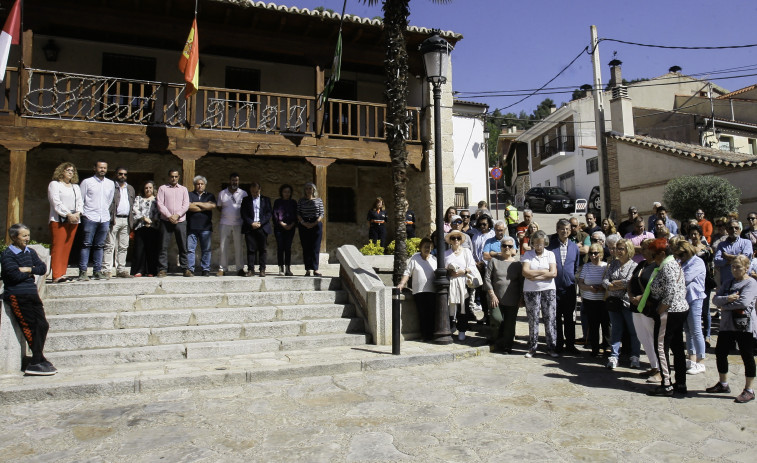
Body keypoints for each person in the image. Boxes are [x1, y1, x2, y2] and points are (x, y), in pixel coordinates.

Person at [1, 223, 55, 375]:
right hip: (17, 294)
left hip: (32, 293)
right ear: (14, 237)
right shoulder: (7, 254)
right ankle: (37, 360)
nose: (27, 238)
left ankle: (38, 358)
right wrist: (29, 273)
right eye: (24, 236)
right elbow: (13, 275)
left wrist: (28, 269)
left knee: (42, 325)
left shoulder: (30, 252)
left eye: (28, 235)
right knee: (29, 326)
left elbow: (42, 268)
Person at [707, 255, 757, 403]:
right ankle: (723, 383)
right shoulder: (728, 282)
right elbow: (715, 299)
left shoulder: (751, 283)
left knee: (746, 356)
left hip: (744, 326)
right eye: (733, 267)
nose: (734, 270)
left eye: (738, 267)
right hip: (727, 324)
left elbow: (743, 302)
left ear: (746, 268)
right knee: (721, 352)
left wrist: (724, 306)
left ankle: (749, 389)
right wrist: (728, 299)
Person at [646, 238, 689, 396]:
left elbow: (670, 292)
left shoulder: (668, 266)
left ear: (662, 253)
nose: (652, 257)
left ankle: (667, 384)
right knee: (677, 347)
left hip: (670, 312)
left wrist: (661, 310)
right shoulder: (673, 264)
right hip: (679, 310)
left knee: (661, 348)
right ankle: (681, 383)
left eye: (654, 254)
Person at [603, 238, 641, 369]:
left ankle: (635, 356)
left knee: (633, 331)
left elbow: (628, 282)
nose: (618, 251)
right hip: (614, 302)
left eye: (621, 249)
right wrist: (612, 285)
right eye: (617, 248)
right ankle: (614, 356)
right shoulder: (613, 264)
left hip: (627, 303)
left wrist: (614, 284)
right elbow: (605, 281)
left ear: (628, 250)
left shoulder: (633, 265)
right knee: (616, 330)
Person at [671, 239, 707, 375]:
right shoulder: (682, 262)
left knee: (696, 329)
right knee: (687, 330)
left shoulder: (697, 262)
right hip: (684, 299)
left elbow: (684, 278)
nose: (679, 257)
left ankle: (701, 360)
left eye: (681, 254)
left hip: (694, 298)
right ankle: (691, 358)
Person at [628, 238, 661, 383]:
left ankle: (660, 369)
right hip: (636, 306)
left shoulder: (657, 266)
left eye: (646, 248)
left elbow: (654, 287)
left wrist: (641, 297)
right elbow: (631, 281)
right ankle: (653, 365)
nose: (643, 251)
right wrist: (630, 295)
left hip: (648, 307)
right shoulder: (641, 264)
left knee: (653, 337)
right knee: (643, 337)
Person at [522, 230, 558, 358]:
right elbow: (525, 272)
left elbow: (553, 273)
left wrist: (535, 275)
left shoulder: (550, 254)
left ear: (545, 243)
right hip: (531, 290)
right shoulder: (528, 254)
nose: (538, 247)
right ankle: (532, 347)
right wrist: (544, 272)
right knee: (533, 319)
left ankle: (551, 347)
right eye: (536, 244)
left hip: (548, 289)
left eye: (541, 244)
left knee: (550, 319)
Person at [78, 160, 116, 281]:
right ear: (95, 168)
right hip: (90, 216)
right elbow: (81, 199)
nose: (102, 170)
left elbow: (109, 201)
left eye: (105, 168)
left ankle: (97, 271)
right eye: (100, 168)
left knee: (100, 245)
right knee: (86, 244)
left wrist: (105, 212)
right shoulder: (87, 182)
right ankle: (83, 271)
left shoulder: (110, 183)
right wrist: (84, 214)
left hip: (104, 217)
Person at [485, 235, 523, 353]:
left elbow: (522, 282)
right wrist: (492, 294)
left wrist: (521, 298)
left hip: (512, 299)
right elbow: (487, 278)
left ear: (513, 249)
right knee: (497, 319)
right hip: (496, 298)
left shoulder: (517, 264)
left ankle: (507, 345)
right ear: (500, 247)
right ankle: (495, 339)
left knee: (509, 325)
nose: (506, 248)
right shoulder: (494, 261)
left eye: (509, 246)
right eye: (504, 245)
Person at [548, 219, 581, 354]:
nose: (565, 231)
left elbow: (576, 267)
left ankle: (570, 345)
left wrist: (570, 279)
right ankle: (559, 344)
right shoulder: (550, 247)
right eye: (562, 229)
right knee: (556, 318)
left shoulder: (574, 247)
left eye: (567, 229)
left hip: (569, 289)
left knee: (569, 318)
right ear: (557, 230)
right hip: (554, 288)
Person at [47, 162, 83, 283]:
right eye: (67, 170)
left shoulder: (75, 187)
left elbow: (80, 202)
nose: (70, 172)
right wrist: (68, 214)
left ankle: (62, 273)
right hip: (59, 219)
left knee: (67, 247)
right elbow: (55, 201)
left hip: (74, 220)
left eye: (72, 171)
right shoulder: (55, 185)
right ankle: (56, 275)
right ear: (61, 171)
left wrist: (77, 213)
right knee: (58, 246)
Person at [397, 237, 436, 341]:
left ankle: (431, 334)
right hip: (419, 291)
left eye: (429, 246)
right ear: (420, 248)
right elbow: (407, 272)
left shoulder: (434, 259)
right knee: (422, 314)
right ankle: (424, 335)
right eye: (425, 246)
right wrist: (402, 283)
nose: (427, 249)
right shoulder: (415, 258)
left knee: (431, 313)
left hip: (432, 291)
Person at [156, 169, 191, 277]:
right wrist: (169, 216)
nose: (174, 178)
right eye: (172, 176)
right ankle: (162, 269)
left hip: (180, 221)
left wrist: (177, 215)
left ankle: (185, 269)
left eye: (176, 176)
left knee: (183, 246)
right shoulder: (163, 188)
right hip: (166, 221)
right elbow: (160, 203)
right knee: (163, 246)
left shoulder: (183, 189)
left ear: (179, 177)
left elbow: (186, 204)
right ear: (168, 177)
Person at [102, 167, 135, 279]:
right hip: (114, 219)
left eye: (125, 174)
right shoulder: (111, 186)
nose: (123, 176)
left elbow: (132, 204)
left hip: (126, 219)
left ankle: (121, 269)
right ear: (116, 174)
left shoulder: (130, 188)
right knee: (109, 245)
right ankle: (106, 270)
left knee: (123, 246)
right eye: (120, 174)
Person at [445, 229, 476, 342]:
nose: (456, 240)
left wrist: (464, 271)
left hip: (463, 283)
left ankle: (462, 329)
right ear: (450, 240)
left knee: (464, 306)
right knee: (451, 305)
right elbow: (443, 269)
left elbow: (472, 266)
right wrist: (449, 272)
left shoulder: (466, 252)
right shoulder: (446, 254)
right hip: (451, 283)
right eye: (453, 238)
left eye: (458, 238)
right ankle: (452, 326)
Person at [577, 243, 608, 357]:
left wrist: (601, 288)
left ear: (601, 254)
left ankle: (607, 348)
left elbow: (609, 282)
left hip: (603, 300)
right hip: (590, 300)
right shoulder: (586, 266)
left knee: (606, 325)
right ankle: (595, 348)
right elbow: (580, 283)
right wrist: (589, 288)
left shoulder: (606, 266)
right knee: (593, 326)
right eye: (591, 253)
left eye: (596, 253)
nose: (593, 256)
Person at [217, 173, 248, 277]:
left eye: (237, 180)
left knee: (239, 247)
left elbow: (247, 208)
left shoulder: (243, 193)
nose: (235, 182)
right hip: (225, 223)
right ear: (229, 181)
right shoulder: (222, 193)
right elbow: (219, 207)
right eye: (233, 180)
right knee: (223, 246)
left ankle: (239, 268)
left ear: (239, 181)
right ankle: (222, 268)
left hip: (239, 223)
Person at [689, 224, 714, 346]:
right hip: (691, 284)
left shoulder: (706, 249)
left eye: (695, 234)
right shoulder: (687, 250)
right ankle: (695, 335)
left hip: (704, 283)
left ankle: (707, 335)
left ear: (700, 235)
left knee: (705, 310)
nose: (693, 236)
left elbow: (711, 266)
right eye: (691, 234)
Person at [241, 182, 272, 277]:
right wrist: (251, 223)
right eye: (253, 192)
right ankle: (251, 269)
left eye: (256, 191)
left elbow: (268, 213)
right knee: (251, 249)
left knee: (262, 249)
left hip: (262, 227)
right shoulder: (246, 200)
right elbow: (243, 213)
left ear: (260, 190)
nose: (254, 193)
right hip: (250, 227)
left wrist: (260, 223)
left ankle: (262, 269)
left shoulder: (266, 200)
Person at [186, 175, 216, 277]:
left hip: (206, 227)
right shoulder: (189, 194)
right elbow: (188, 207)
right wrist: (204, 206)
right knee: (190, 249)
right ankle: (190, 269)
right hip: (192, 226)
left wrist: (196, 203)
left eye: (201, 184)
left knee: (206, 249)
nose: (199, 186)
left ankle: (206, 269)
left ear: (205, 185)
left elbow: (212, 206)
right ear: (194, 185)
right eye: (198, 184)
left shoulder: (210, 196)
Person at [130, 181, 160, 277]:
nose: (148, 189)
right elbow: (135, 209)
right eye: (146, 188)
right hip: (140, 226)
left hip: (152, 227)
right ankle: (139, 270)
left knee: (151, 249)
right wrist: (144, 218)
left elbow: (158, 211)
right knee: (139, 249)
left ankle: (151, 270)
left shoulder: (156, 200)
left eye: (150, 187)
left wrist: (152, 220)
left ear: (153, 189)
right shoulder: (139, 198)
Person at [714, 219, 753, 287]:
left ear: (740, 229)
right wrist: (737, 258)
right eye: (731, 228)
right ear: (727, 230)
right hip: (726, 281)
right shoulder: (721, 245)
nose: (734, 230)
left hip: (743, 281)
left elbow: (745, 258)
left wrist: (728, 256)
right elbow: (717, 260)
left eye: (736, 228)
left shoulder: (746, 242)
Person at [298, 182, 324, 277]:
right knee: (306, 247)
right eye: (307, 188)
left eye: (310, 188)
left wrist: (314, 223)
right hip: (304, 224)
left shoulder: (319, 200)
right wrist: (304, 223)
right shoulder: (301, 201)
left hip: (316, 224)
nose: (309, 190)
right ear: (304, 190)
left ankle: (315, 269)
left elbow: (322, 213)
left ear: (314, 190)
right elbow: (298, 213)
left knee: (315, 247)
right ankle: (308, 269)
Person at [273, 184, 298, 276]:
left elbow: (296, 215)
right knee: (280, 247)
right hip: (279, 228)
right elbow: (275, 214)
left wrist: (291, 225)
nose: (286, 194)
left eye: (288, 192)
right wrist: (282, 224)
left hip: (290, 228)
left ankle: (288, 268)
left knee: (288, 248)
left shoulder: (293, 202)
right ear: (281, 193)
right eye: (285, 192)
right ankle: (281, 268)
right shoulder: (277, 202)